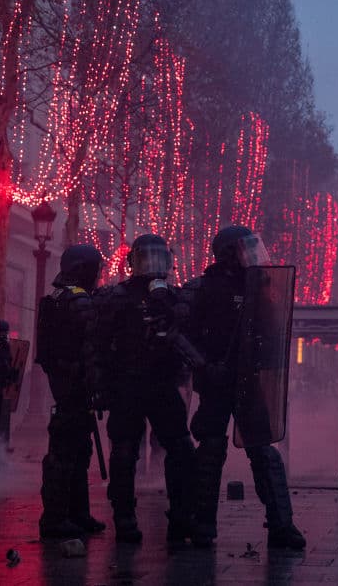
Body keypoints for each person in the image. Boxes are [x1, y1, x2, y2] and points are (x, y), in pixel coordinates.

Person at [185, 226, 306, 550]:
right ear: (228, 253)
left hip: (248, 381)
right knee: (210, 450)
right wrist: (205, 366)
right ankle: (201, 524)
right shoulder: (202, 288)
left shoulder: (261, 286)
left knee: (264, 451)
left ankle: (281, 525)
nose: (253, 255)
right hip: (216, 382)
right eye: (245, 248)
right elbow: (181, 335)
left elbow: (270, 332)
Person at [94, 234, 197, 546]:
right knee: (125, 450)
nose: (153, 264)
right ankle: (124, 517)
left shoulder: (175, 298)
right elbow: (99, 343)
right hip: (128, 382)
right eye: (146, 257)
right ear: (133, 261)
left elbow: (190, 331)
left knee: (179, 448)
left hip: (162, 382)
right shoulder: (117, 297)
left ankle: (181, 515)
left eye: (159, 257)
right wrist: (100, 383)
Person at [37, 244, 107, 539]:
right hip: (76, 383)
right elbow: (91, 349)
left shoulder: (56, 297)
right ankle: (55, 518)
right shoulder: (80, 301)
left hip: (63, 379)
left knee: (78, 449)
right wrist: (97, 387)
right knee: (66, 452)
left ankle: (77, 514)